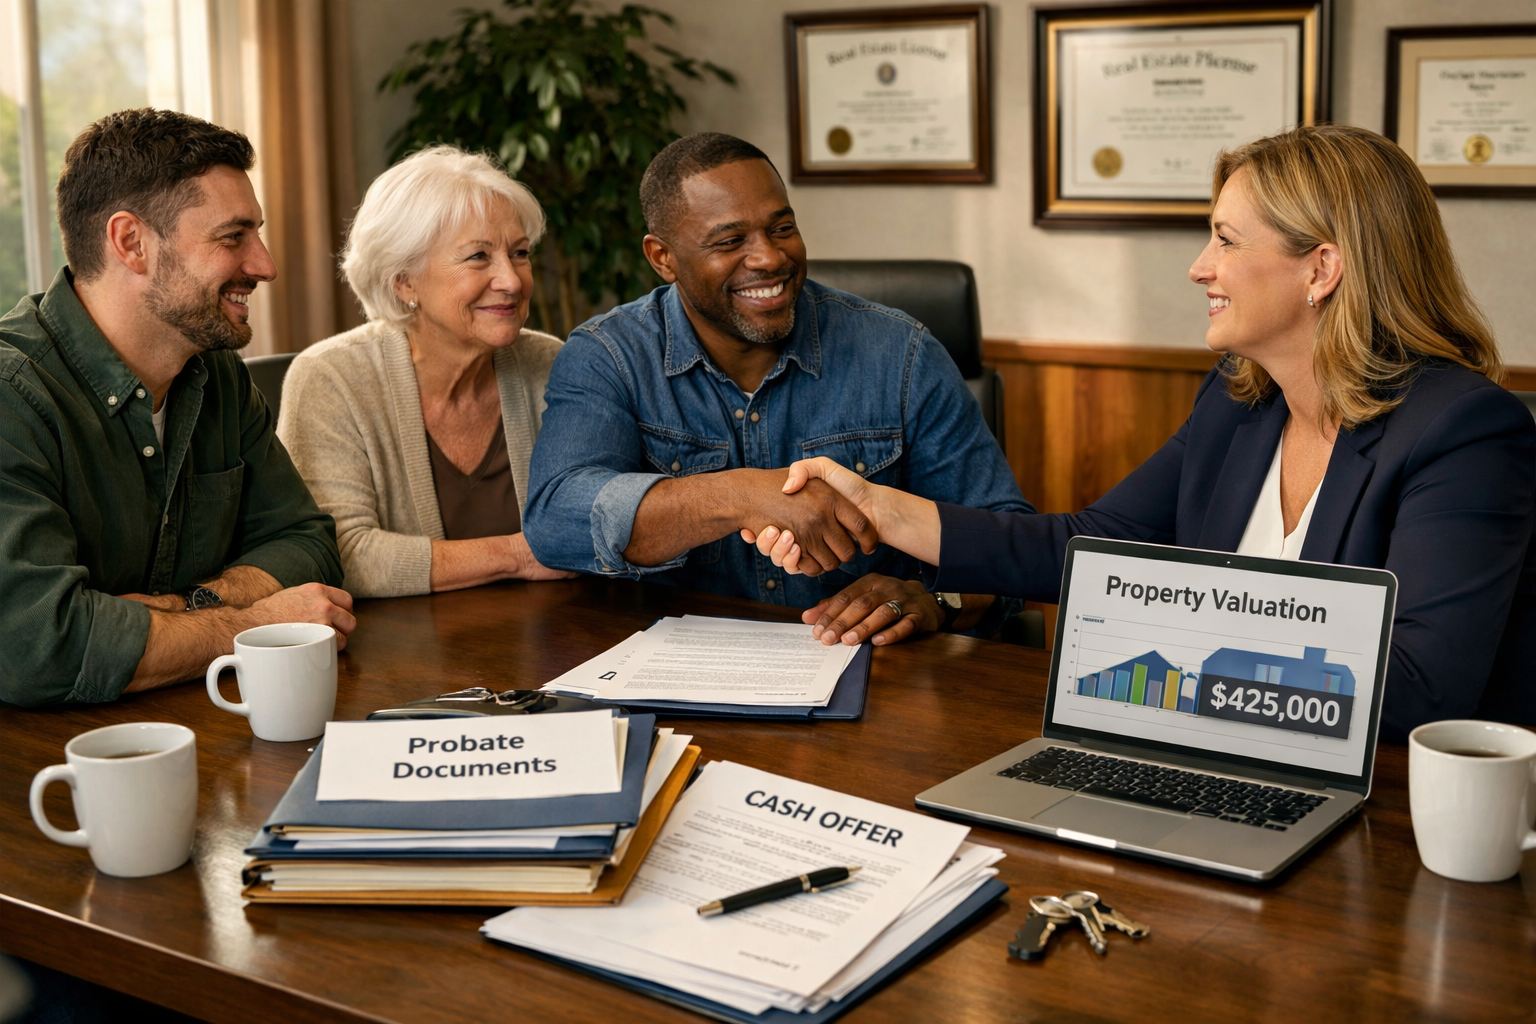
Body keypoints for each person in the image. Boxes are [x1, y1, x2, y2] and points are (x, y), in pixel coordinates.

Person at [752, 124, 1536, 740]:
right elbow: (1089, 547)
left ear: (1320, 269)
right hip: (1222, 760)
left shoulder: (1465, 433)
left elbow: (1415, 692)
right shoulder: (1239, 402)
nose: (1200, 266)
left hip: (1391, 823)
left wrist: (1167, 656)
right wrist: (885, 509)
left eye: (1227, 240)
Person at [523, 132, 1031, 646]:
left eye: (782, 227)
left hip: (875, 676)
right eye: (729, 241)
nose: (768, 258)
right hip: (677, 678)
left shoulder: (900, 353)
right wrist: (741, 495)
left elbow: (1009, 547)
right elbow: (556, 522)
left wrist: (938, 600)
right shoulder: (608, 355)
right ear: (663, 257)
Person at [0, 109, 353, 707]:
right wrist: (255, 624)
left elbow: (306, 540)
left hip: (205, 727)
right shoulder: (13, 396)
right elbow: (39, 646)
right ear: (131, 242)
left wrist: (192, 606)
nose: (264, 264)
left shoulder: (215, 372)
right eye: (232, 236)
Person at [278, 146, 573, 596]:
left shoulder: (549, 365)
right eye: (478, 256)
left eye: (519, 253)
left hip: (554, 642)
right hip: (400, 656)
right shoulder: (329, 379)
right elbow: (341, 554)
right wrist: (519, 555)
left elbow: (589, 525)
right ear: (404, 281)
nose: (512, 280)